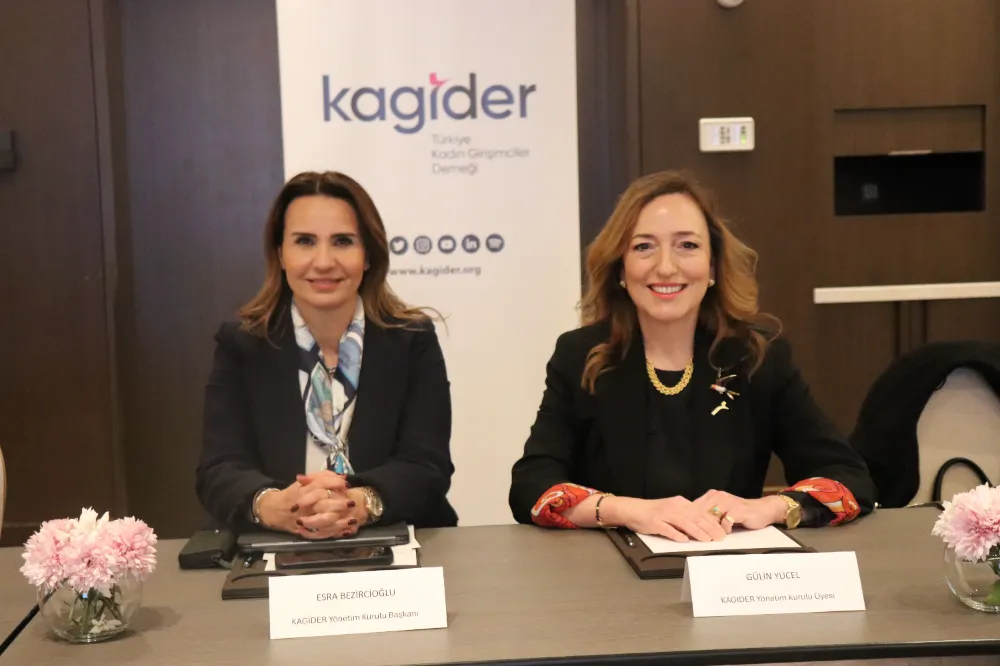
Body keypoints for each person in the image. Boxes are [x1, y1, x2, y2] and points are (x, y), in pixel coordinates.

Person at [509, 170, 875, 542]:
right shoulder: (581, 355)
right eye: (643, 246)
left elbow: (849, 479)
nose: (666, 267)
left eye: (687, 245)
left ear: (712, 265)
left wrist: (768, 507)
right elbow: (531, 488)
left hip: (728, 566)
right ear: (621, 266)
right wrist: (625, 510)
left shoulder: (756, 356)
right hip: (609, 567)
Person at [196, 171, 457, 538]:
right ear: (280, 254)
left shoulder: (412, 340)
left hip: (395, 537)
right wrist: (275, 506)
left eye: (342, 241)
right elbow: (219, 469)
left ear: (368, 256)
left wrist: (359, 504)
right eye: (305, 241)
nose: (323, 261)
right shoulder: (242, 344)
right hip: (274, 543)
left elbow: (427, 466)